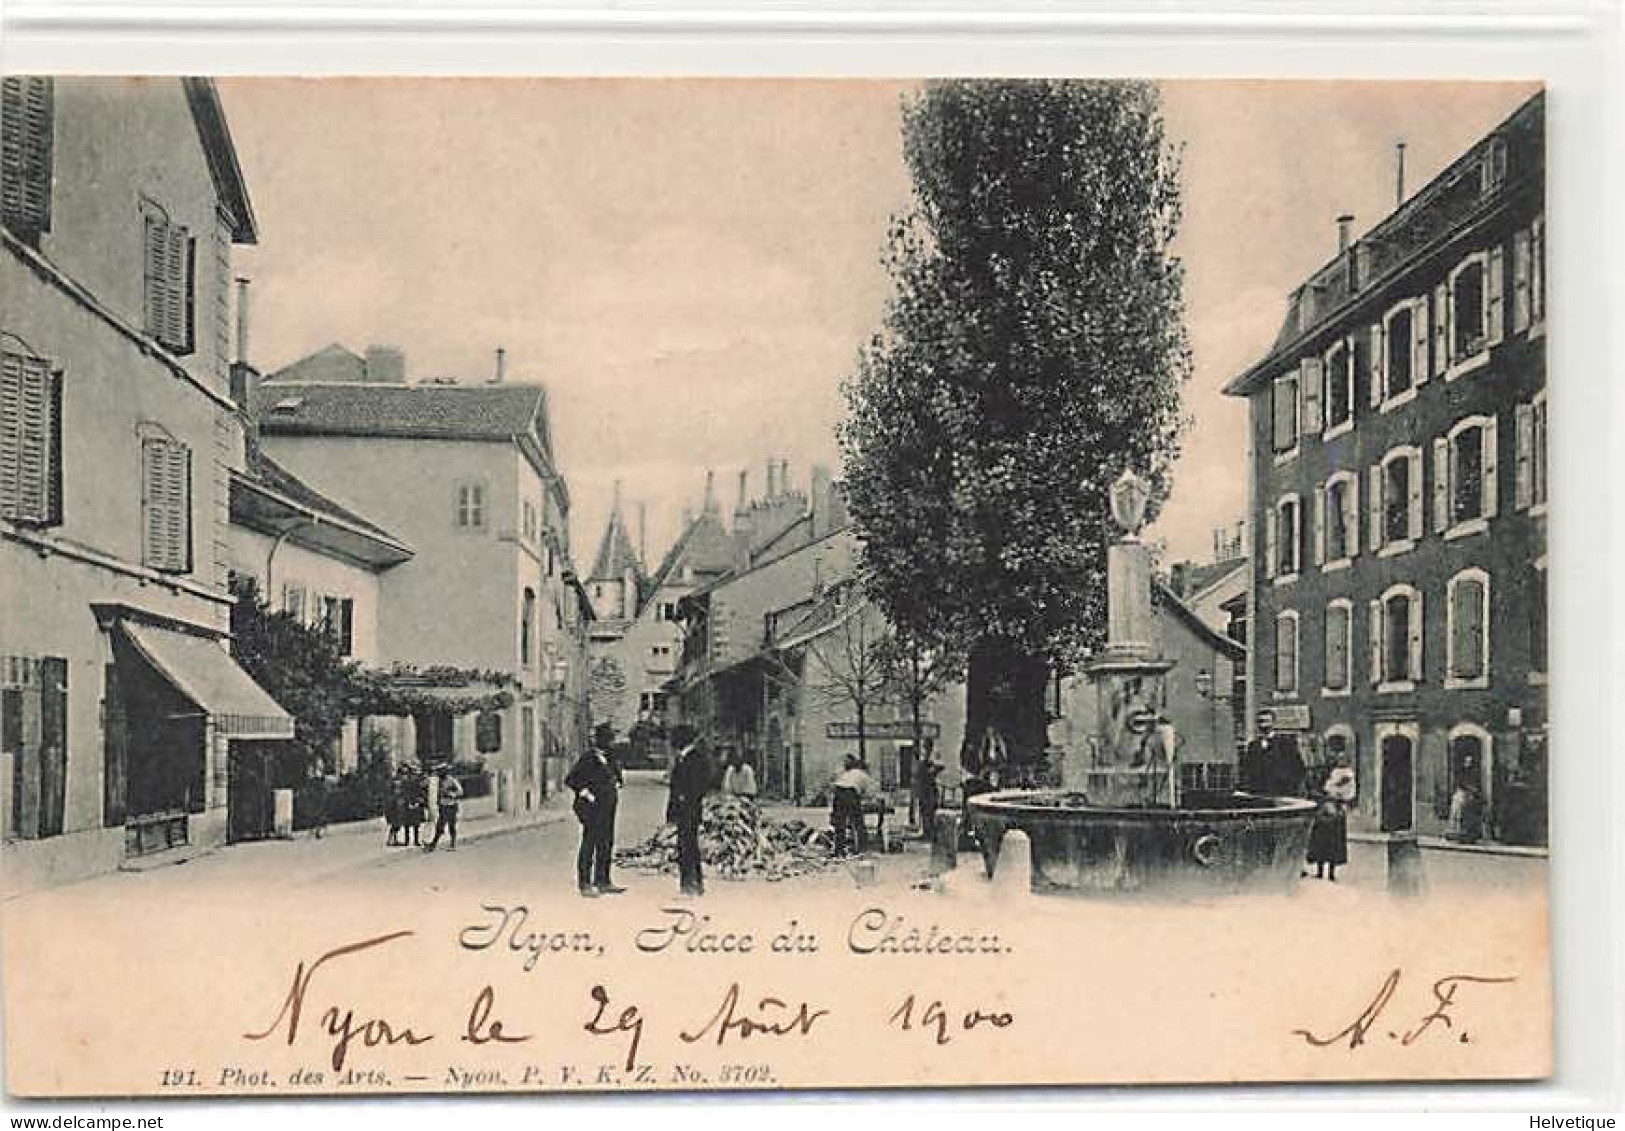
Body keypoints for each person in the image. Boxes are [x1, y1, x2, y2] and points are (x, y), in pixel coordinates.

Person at [566, 724, 625, 897]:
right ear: (600, 740)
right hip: (592, 808)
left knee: (606, 843)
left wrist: (617, 782)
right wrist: (586, 793)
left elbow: (616, 776)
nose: (611, 742)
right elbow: (571, 779)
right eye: (608, 739)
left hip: (608, 806)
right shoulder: (588, 758)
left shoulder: (611, 757)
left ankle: (603, 880)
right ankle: (584, 883)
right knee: (589, 843)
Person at [666, 727, 713, 897]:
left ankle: (690, 884)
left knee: (688, 847)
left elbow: (700, 784)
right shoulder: (682, 758)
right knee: (687, 846)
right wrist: (671, 812)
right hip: (684, 810)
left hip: (690, 810)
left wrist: (686, 798)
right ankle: (692, 883)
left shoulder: (696, 759)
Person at [1239, 710, 1307, 798]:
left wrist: (1291, 785)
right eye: (1260, 721)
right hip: (1259, 791)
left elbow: (1298, 767)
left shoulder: (1286, 743)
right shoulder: (1253, 745)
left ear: (1274, 723)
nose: (1263, 725)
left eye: (1267, 721)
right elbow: (1248, 768)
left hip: (1282, 791)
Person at [1307, 758, 1355, 880]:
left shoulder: (1345, 774)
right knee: (1324, 842)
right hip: (1326, 811)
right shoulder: (1330, 774)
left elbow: (1347, 794)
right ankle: (1323, 871)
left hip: (1332, 811)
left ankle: (1329, 873)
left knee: (1331, 843)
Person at [830, 754, 876, 856]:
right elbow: (869, 793)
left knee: (840, 823)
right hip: (850, 793)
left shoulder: (847, 773)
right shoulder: (863, 775)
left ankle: (839, 849)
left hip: (838, 792)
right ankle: (862, 848)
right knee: (858, 822)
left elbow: (834, 784)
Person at [424, 765, 463, 851]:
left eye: (441, 771)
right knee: (440, 826)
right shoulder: (437, 781)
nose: (439, 773)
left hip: (451, 806)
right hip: (443, 806)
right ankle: (433, 844)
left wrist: (451, 794)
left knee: (451, 825)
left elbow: (460, 791)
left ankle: (452, 844)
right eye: (439, 771)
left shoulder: (452, 780)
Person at [912, 740, 943, 837]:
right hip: (925, 790)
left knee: (928, 811)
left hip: (928, 790)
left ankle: (929, 831)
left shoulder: (930, 759)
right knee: (925, 811)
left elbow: (935, 769)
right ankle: (927, 831)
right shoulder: (923, 760)